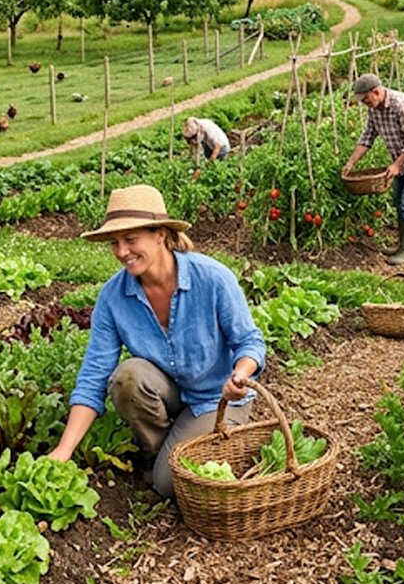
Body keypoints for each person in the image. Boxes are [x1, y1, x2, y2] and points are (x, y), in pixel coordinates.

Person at [48, 184, 265, 498]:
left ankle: (175, 452)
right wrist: (63, 451)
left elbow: (250, 341)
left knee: (167, 484)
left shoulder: (212, 278)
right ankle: (162, 449)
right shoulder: (113, 297)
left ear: (161, 234)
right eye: (115, 242)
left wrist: (241, 375)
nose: (122, 252)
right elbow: (94, 376)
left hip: (216, 399)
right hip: (170, 392)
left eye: (131, 239)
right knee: (128, 377)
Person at [342, 73, 404, 265]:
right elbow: (368, 137)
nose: (364, 104)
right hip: (400, 160)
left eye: (365, 99)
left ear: (376, 92)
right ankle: (401, 244)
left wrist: (396, 165)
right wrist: (351, 162)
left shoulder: (401, 104)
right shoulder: (374, 109)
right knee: (398, 201)